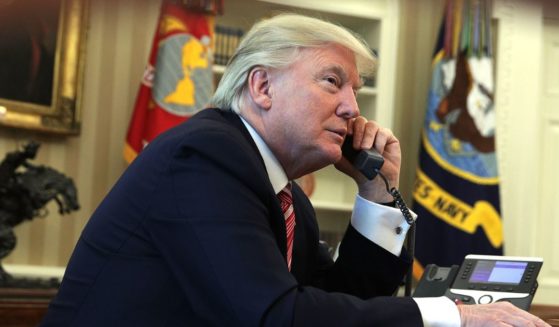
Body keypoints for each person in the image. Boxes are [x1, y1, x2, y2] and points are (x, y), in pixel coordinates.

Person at [40, 14, 549, 327]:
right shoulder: (203, 159)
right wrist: (455, 316)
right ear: (261, 87)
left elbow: (339, 304)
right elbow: (276, 317)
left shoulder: (283, 192)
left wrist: (376, 193)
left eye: (356, 91)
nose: (354, 108)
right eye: (333, 82)